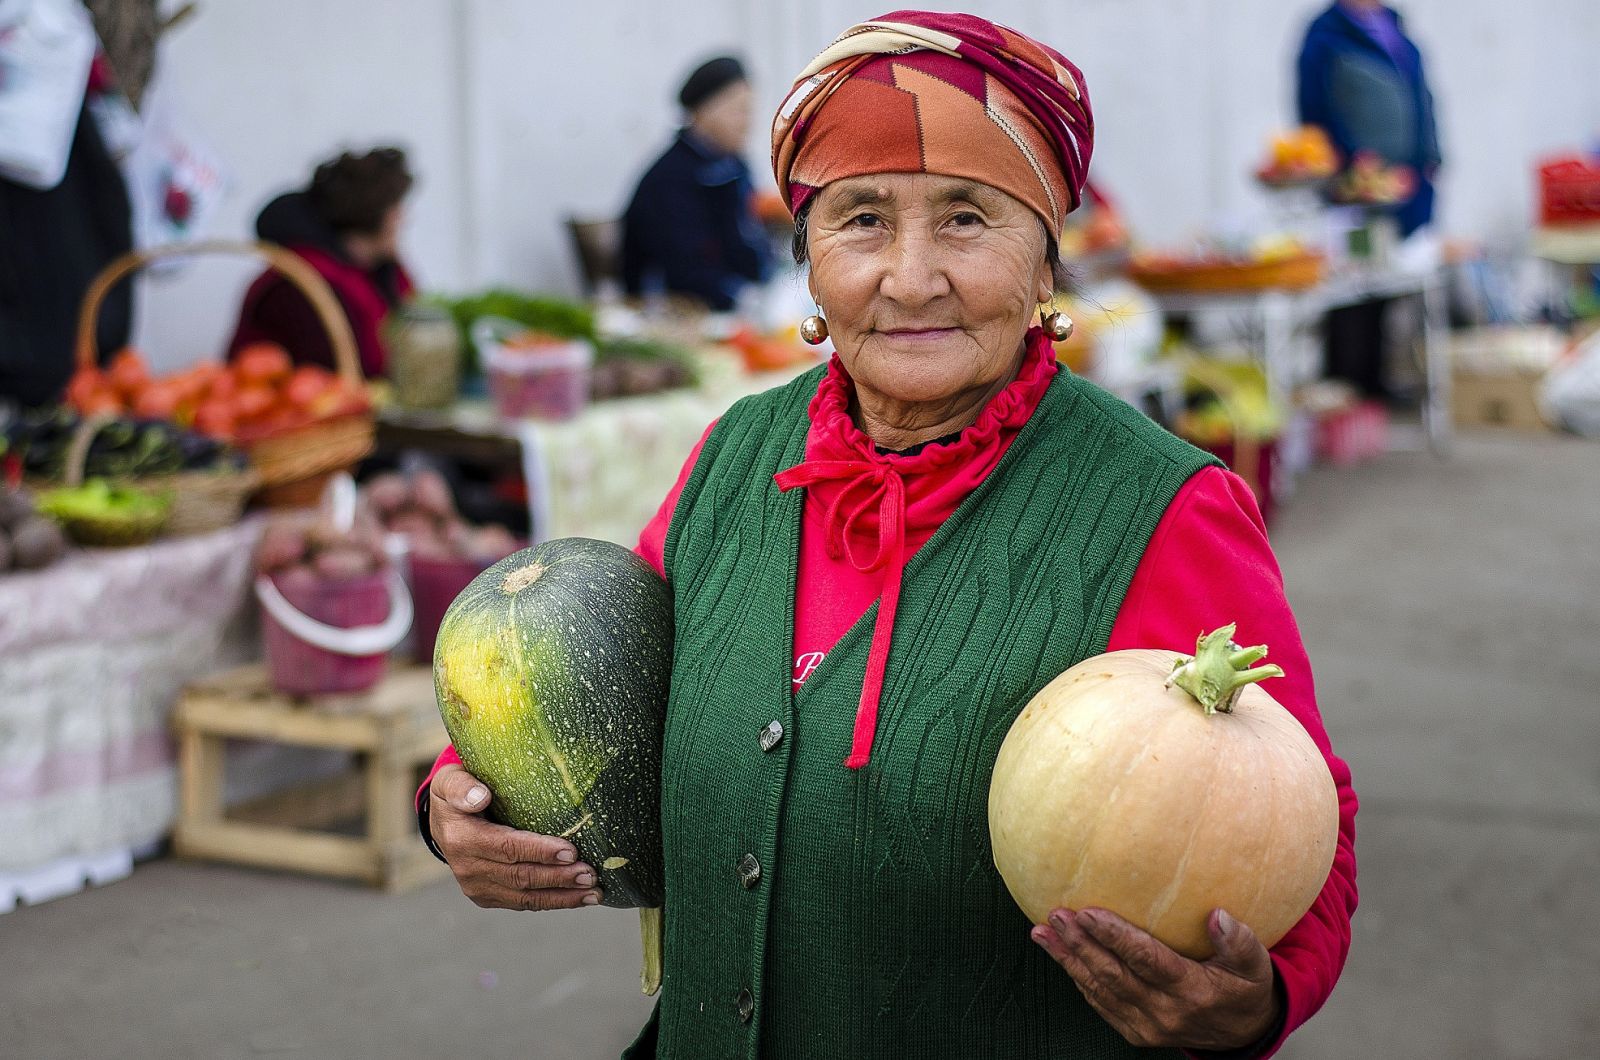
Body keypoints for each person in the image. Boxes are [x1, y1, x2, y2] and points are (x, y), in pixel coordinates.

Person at [421, 12, 1358, 1058]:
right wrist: (458, 800)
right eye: (861, 219)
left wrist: (1257, 998)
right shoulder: (737, 453)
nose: (910, 278)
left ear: (1047, 263)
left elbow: (1296, 806)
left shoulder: (1158, 508)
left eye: (966, 218)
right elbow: (590, 672)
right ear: (810, 264)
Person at [1298, 0, 1442, 398]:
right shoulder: (1325, 35)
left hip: (1406, 185)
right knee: (1352, 279)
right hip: (1356, 189)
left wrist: (1429, 158)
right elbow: (1313, 110)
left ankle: (1375, 380)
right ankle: (1347, 384)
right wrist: (1351, 164)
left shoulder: (1395, 28)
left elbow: (1422, 98)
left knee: (1387, 280)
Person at [227, 147, 415, 378]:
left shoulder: (375, 271)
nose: (404, 220)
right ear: (379, 216)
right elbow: (347, 371)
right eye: (397, 209)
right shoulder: (300, 285)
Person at [620, 55, 771, 312]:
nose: (747, 123)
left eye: (749, 111)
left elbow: (748, 235)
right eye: (738, 110)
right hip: (679, 316)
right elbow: (684, 270)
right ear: (704, 111)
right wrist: (744, 300)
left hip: (734, 306)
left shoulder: (735, 165)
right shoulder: (668, 179)